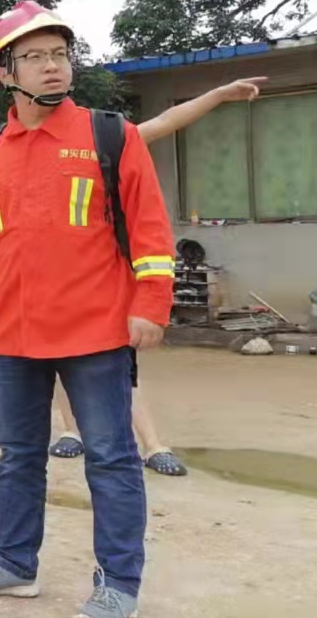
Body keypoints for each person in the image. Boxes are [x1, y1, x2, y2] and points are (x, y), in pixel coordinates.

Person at [0, 0, 174, 618]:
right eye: (36, 57)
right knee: (18, 456)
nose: (53, 67)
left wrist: (151, 303)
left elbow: (150, 228)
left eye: (60, 55)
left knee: (111, 458)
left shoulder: (110, 136)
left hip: (96, 332)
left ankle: (118, 585)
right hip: (10, 336)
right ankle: (14, 563)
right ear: (4, 72)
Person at [48, 76, 267, 476]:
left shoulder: (104, 143)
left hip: (103, 278)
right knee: (61, 360)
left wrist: (218, 93)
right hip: (52, 282)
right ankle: (71, 430)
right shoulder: (19, 151)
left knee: (121, 367)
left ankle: (152, 445)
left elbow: (165, 122)